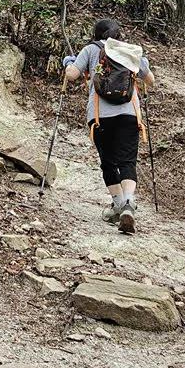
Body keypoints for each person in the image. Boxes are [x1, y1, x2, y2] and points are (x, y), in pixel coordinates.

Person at [63, 19, 155, 233]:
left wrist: (69, 62)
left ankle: (117, 205)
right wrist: (143, 65)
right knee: (127, 161)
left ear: (95, 34)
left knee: (109, 163)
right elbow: (149, 80)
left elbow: (72, 75)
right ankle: (128, 205)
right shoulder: (129, 51)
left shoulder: (90, 50)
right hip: (129, 114)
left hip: (100, 116)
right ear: (118, 35)